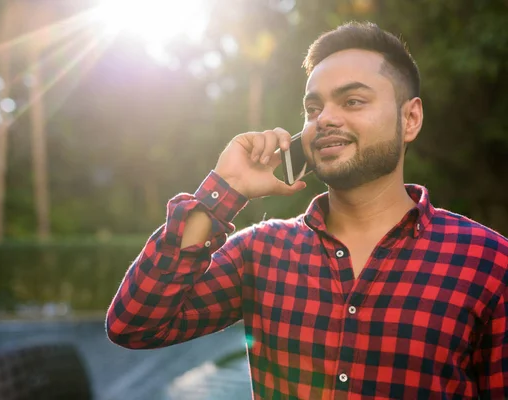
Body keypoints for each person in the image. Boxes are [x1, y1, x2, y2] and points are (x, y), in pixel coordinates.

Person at [106, 21, 508, 399]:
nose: (326, 119)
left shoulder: (490, 264)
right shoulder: (260, 252)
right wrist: (224, 189)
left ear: (410, 118)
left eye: (352, 101)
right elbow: (135, 325)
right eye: (313, 109)